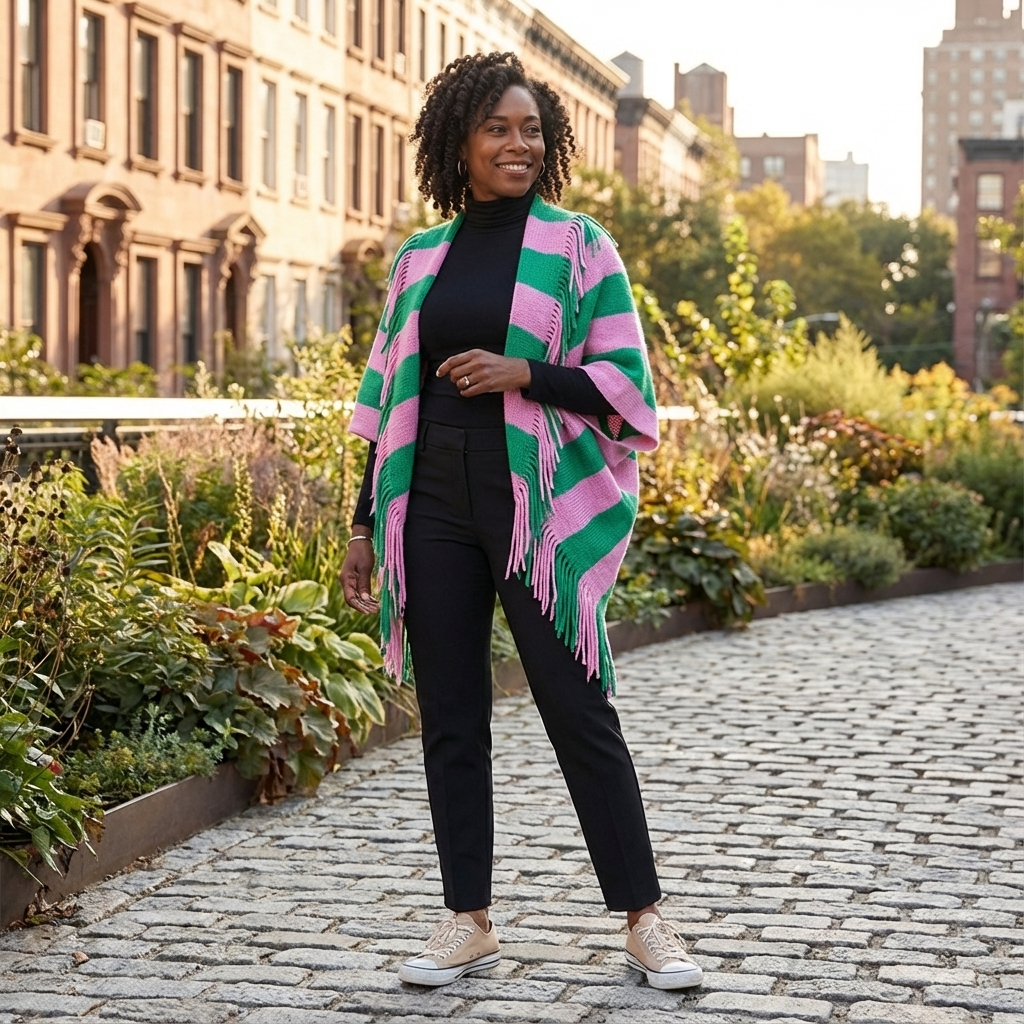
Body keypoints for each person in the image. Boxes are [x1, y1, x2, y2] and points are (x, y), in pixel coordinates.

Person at [341, 51, 703, 992]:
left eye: (532, 130)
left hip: (531, 505)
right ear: (458, 144)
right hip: (430, 498)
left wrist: (524, 374)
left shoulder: (581, 248)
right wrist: (362, 524)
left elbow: (625, 387)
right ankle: (467, 919)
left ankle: (646, 920)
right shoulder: (420, 258)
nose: (518, 144)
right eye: (497, 128)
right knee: (451, 717)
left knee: (578, 709)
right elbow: (384, 401)